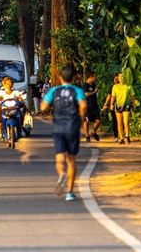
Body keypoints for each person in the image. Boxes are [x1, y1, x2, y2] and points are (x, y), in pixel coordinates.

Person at [40, 65, 87, 202]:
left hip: (58, 127)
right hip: (72, 126)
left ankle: (62, 174)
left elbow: (43, 107)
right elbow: (83, 105)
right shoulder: (77, 90)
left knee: (59, 158)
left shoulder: (54, 90)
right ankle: (70, 192)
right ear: (74, 78)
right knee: (71, 160)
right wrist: (81, 117)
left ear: (60, 78)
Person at [110, 71, 136, 144]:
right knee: (119, 123)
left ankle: (127, 136)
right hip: (118, 106)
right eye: (120, 76)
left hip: (126, 105)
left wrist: (134, 104)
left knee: (126, 121)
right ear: (118, 78)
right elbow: (113, 96)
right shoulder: (115, 86)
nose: (122, 78)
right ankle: (121, 137)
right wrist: (111, 104)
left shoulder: (128, 86)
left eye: (123, 76)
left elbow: (132, 96)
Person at [82, 72, 101, 142]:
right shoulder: (85, 85)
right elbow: (86, 94)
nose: (95, 78)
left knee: (98, 120)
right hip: (87, 105)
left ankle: (94, 131)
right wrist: (94, 92)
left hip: (95, 105)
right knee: (86, 121)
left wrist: (96, 92)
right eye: (94, 77)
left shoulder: (94, 84)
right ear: (91, 77)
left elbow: (95, 93)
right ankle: (87, 136)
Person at [101, 74, 119, 140]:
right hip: (113, 106)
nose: (115, 80)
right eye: (115, 79)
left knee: (119, 121)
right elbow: (109, 97)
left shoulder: (121, 86)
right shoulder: (112, 87)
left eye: (117, 79)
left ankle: (119, 135)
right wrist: (105, 105)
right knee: (115, 121)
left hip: (120, 106)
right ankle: (116, 135)